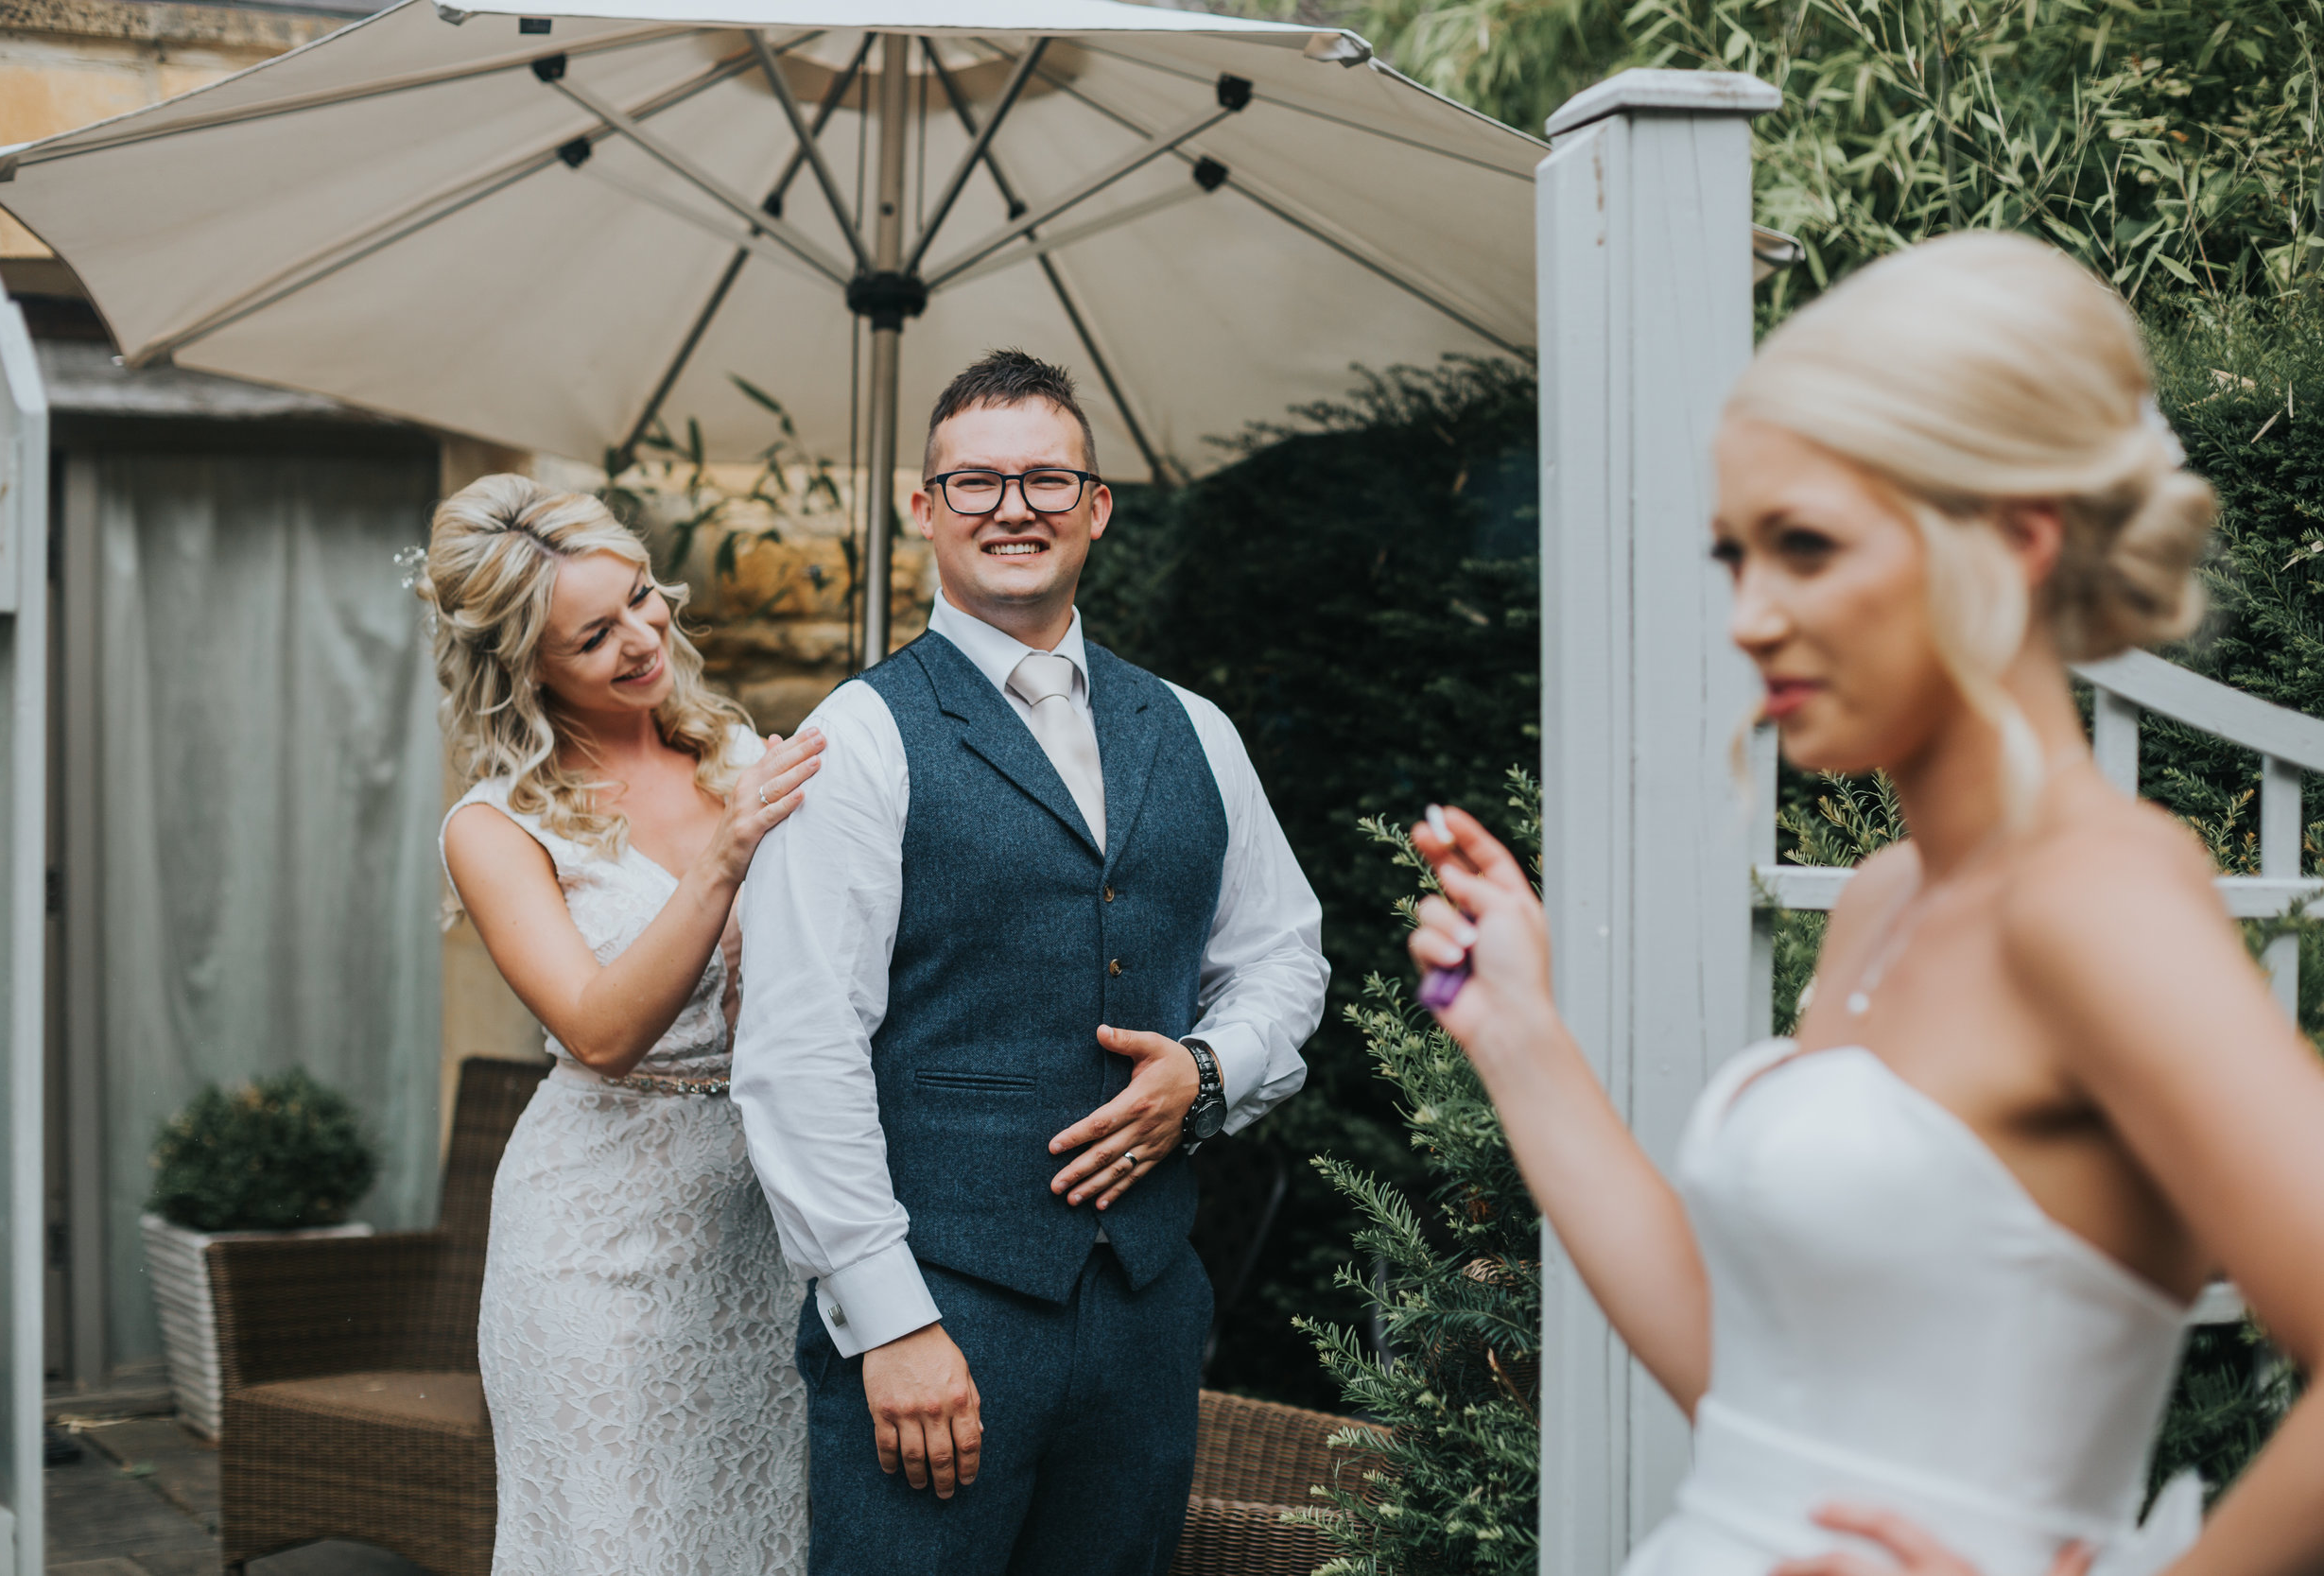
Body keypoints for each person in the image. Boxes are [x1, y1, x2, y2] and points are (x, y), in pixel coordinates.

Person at [1410, 232, 2324, 1576]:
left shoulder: (2097, 893)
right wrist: (1520, 1035)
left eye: (1807, 547)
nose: (1752, 614)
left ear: (2014, 539)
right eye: (1736, 555)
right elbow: (1759, 1398)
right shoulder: (1887, 894)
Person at [731, 350, 1328, 1575]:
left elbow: (1285, 957)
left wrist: (1207, 1074)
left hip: (1146, 1315)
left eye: (1048, 480)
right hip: (941, 1305)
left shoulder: (1194, 729)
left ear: (1097, 506)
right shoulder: (859, 737)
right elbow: (799, 1050)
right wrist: (886, 1320)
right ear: (926, 508)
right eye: (978, 483)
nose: (1015, 508)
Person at [423, 476, 824, 1576]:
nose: (644, 637)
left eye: (643, 598)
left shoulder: (735, 757)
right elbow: (600, 1031)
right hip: (595, 1248)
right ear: (524, 667)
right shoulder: (495, 826)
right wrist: (728, 856)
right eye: (594, 635)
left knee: (755, 1535)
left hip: (761, 1228)